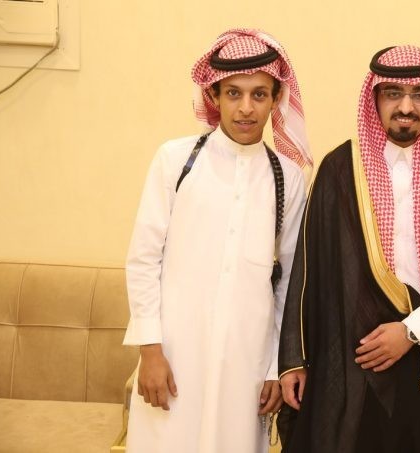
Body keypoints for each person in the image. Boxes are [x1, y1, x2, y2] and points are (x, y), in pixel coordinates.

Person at [278, 45, 420, 453]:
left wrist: (410, 330)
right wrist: (293, 360)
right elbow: (309, 271)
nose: (406, 107)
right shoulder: (340, 170)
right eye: (393, 94)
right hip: (354, 364)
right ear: (374, 99)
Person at [122, 29, 312, 453]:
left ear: (275, 99)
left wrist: (274, 366)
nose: (246, 108)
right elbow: (143, 259)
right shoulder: (176, 160)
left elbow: (288, 282)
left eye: (259, 95)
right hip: (174, 356)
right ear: (214, 96)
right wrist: (150, 351)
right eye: (233, 94)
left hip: (247, 363)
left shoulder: (288, 177)